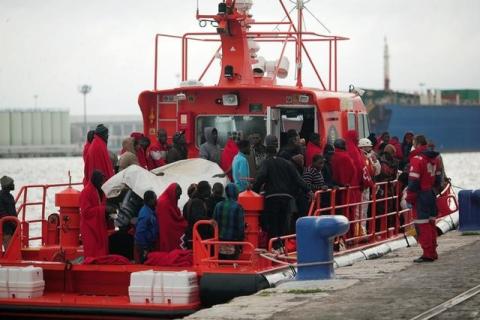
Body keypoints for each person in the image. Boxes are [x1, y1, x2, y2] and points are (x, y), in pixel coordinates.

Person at [253, 143, 309, 249]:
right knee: (283, 223)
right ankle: (281, 246)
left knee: (272, 224)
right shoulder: (287, 163)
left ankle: (273, 248)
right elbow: (298, 179)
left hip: (271, 198)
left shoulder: (266, 163)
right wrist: (308, 190)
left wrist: (254, 191)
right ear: (276, 152)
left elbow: (261, 176)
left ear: (266, 154)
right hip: (286, 197)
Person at [406, 135, 442, 262]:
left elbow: (414, 181)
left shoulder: (417, 159)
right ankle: (433, 251)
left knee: (422, 225)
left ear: (416, 144)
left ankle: (427, 253)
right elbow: (438, 178)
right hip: (431, 193)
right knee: (431, 223)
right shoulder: (435, 158)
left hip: (421, 195)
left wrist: (409, 197)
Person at [79, 170, 116, 258]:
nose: (102, 183)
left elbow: (101, 207)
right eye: (101, 181)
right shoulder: (86, 192)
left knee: (102, 249)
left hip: (99, 225)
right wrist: (104, 209)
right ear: (96, 180)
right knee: (92, 250)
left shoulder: (101, 191)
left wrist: (108, 214)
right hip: (89, 227)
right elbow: (85, 212)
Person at [212, 183, 245, 260]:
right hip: (233, 242)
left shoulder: (218, 205)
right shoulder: (238, 207)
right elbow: (241, 228)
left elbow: (214, 224)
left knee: (221, 266)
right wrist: (241, 243)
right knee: (232, 266)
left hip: (220, 242)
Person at [156, 183, 187, 252]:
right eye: (178, 195)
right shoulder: (163, 203)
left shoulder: (171, 201)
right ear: (173, 193)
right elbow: (167, 225)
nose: (179, 198)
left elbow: (176, 215)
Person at [183, 181, 214, 249]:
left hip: (191, 235)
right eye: (209, 190)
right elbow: (199, 219)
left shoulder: (190, 201)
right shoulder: (197, 202)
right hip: (197, 237)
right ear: (204, 190)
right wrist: (210, 221)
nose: (210, 192)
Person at [135, 191, 159, 263]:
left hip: (149, 244)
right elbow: (140, 232)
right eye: (155, 198)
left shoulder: (150, 211)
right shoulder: (145, 214)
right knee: (144, 265)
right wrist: (144, 248)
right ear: (150, 200)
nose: (156, 200)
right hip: (144, 246)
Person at [0, 176, 17, 249]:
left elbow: (13, 211)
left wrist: (15, 223)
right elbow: (2, 212)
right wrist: (11, 222)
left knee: (14, 245)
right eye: (12, 183)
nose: (13, 185)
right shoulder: (0, 196)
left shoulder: (10, 196)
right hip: (5, 226)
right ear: (7, 185)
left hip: (13, 225)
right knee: (9, 247)